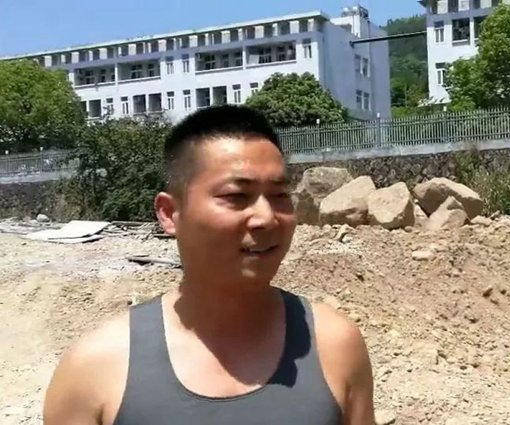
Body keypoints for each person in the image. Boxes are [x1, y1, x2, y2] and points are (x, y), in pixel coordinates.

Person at [43, 105, 375, 425]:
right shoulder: (95, 369)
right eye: (236, 196)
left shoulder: (335, 344)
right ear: (169, 213)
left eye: (279, 195)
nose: (266, 218)